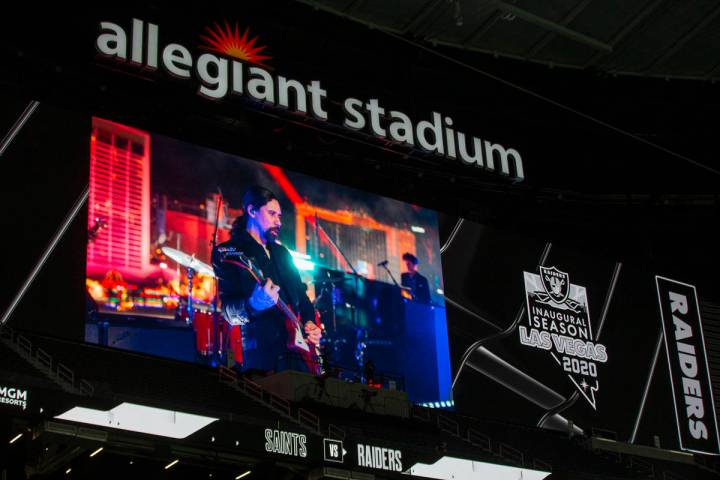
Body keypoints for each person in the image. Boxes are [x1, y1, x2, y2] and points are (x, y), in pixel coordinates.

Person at [211, 186, 322, 373]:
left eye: (279, 216)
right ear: (252, 211)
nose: (278, 222)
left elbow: (302, 299)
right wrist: (253, 304)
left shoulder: (283, 254)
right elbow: (228, 312)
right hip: (262, 358)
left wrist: (310, 323)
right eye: (272, 214)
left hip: (299, 355)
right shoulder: (228, 251)